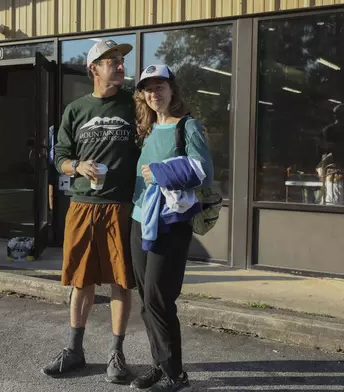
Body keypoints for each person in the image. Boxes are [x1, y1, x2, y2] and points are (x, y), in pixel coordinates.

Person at [42, 40, 140, 384]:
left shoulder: (135, 105)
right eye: (111, 61)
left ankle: (116, 353)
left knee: (120, 280)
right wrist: (77, 166)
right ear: (93, 69)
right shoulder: (76, 110)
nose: (119, 65)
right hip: (83, 206)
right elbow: (60, 158)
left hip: (121, 206)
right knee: (80, 280)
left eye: (120, 61)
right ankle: (74, 350)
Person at [129, 64, 214, 392]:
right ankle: (159, 365)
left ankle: (175, 374)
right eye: (148, 88)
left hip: (171, 224)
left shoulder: (187, 127)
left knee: (159, 298)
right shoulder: (148, 130)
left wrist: (160, 172)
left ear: (172, 89)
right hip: (140, 220)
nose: (155, 93)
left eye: (160, 86)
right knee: (146, 299)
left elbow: (202, 170)